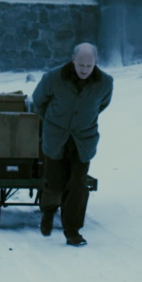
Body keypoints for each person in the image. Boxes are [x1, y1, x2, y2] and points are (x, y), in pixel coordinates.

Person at [31, 42, 113, 246]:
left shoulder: (105, 82)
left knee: (78, 185)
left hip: (83, 140)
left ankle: (72, 232)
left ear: (96, 62)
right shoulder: (53, 78)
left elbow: (102, 104)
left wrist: (83, 120)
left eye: (89, 66)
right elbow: (38, 100)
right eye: (81, 65)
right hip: (56, 137)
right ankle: (48, 212)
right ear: (73, 60)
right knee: (54, 182)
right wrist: (52, 122)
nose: (84, 70)